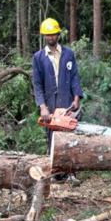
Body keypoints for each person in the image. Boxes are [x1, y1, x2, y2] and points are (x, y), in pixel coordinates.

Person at [32, 18, 83, 160]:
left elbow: (74, 77)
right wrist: (42, 107)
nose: (50, 37)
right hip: (50, 103)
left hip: (67, 101)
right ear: (44, 36)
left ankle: (71, 173)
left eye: (53, 34)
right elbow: (37, 84)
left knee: (70, 138)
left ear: (58, 34)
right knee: (52, 138)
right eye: (48, 35)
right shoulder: (38, 57)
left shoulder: (68, 54)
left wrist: (76, 99)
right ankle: (54, 173)